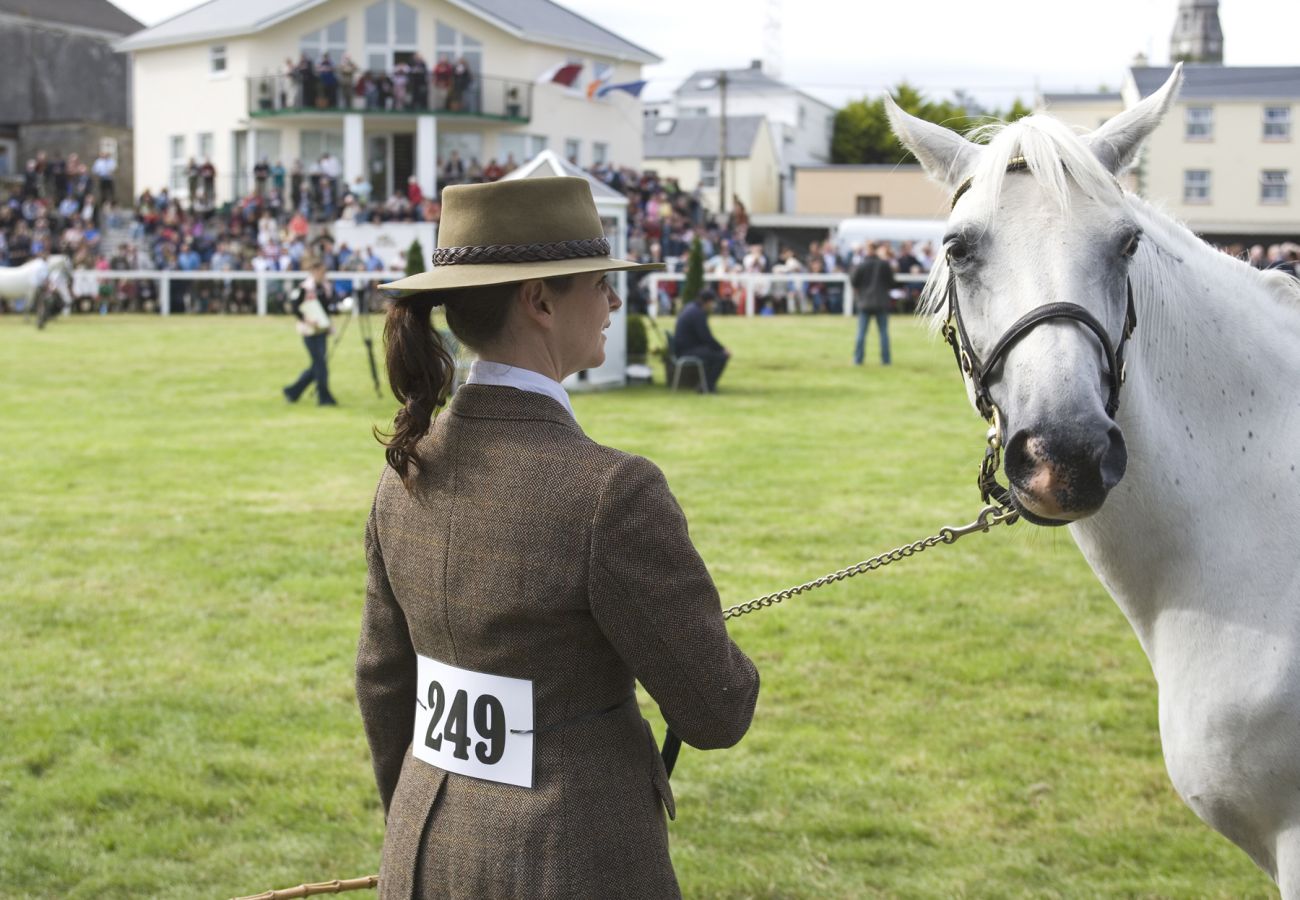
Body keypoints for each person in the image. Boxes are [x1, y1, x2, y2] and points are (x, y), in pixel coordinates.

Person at [356, 176, 759, 899]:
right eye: (601, 283)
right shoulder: (612, 492)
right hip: (571, 866)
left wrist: (419, 828)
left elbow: (386, 688)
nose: (613, 301)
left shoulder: (405, 472)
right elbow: (716, 709)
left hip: (420, 857)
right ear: (539, 299)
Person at [282, 257, 338, 405]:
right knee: (320, 365)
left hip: (322, 331)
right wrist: (307, 320)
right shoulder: (304, 288)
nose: (323, 274)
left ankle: (292, 391)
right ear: (313, 272)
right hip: (309, 331)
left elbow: (328, 307)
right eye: (320, 272)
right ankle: (324, 398)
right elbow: (295, 308)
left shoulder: (326, 287)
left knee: (318, 366)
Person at [673, 288, 730, 392]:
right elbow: (706, 337)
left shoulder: (691, 307)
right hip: (686, 350)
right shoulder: (698, 314)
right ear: (708, 302)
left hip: (684, 347)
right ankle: (707, 386)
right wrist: (722, 349)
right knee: (721, 356)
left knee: (712, 353)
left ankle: (704, 384)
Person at [850, 241, 895, 366]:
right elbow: (891, 282)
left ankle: (858, 360)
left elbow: (854, 282)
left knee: (861, 333)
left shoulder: (862, 265)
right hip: (881, 302)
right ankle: (886, 360)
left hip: (864, 302)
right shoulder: (884, 265)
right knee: (883, 333)